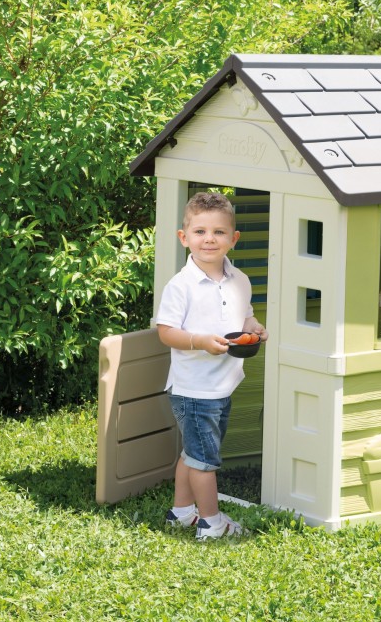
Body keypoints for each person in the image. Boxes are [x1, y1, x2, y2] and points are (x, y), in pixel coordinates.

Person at [156, 191, 268, 540]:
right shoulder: (181, 286)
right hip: (194, 388)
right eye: (200, 231)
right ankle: (211, 523)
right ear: (184, 237)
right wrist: (200, 341)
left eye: (219, 232)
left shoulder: (240, 280)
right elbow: (165, 332)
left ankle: (181, 512)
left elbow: (244, 316)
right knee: (205, 461)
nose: (209, 239)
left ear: (233, 238)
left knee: (194, 453)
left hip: (222, 384)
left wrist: (254, 328)